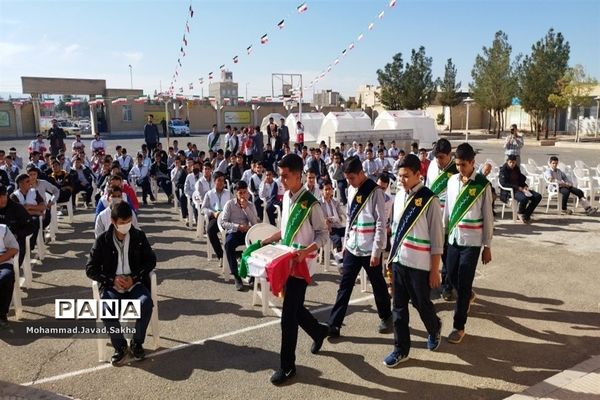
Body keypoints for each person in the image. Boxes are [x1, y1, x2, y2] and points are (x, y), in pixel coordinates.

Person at [260, 153, 328, 385]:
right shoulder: (287, 197)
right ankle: (318, 332)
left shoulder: (311, 203)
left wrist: (306, 251)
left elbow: (323, 234)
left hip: (302, 265)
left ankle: (287, 367)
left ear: (298, 175)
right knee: (296, 309)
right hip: (286, 260)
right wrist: (271, 238)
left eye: (285, 176)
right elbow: (286, 228)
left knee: (288, 317)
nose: (281, 180)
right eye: (280, 175)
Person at [383, 154, 444, 367]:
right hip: (400, 261)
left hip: (420, 265)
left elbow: (437, 239)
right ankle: (401, 349)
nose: (402, 180)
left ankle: (434, 327)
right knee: (398, 309)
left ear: (419, 174)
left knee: (421, 304)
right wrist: (390, 259)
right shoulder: (399, 196)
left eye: (406, 176)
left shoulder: (430, 200)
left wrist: (435, 270)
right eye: (399, 176)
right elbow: (396, 230)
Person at [324, 156, 392, 338]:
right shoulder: (351, 190)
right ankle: (334, 324)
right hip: (353, 248)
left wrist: (377, 250)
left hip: (370, 250)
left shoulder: (375, 192)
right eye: (347, 178)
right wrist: (346, 243)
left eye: (352, 178)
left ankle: (386, 316)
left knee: (378, 286)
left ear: (361, 173)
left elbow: (380, 223)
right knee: (344, 286)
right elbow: (349, 219)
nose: (349, 182)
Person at [86, 202, 156, 365]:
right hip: (113, 286)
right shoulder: (102, 240)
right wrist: (112, 279)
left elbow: (151, 260)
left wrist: (134, 277)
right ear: (113, 221)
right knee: (105, 309)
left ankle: (137, 342)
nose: (125, 226)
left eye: (128, 221)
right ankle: (120, 346)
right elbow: (90, 268)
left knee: (146, 303)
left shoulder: (139, 236)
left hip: (135, 284)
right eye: (122, 223)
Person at [444, 143, 493, 344]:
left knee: (463, 284)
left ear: (473, 163)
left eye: (463, 165)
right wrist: (443, 234)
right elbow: (447, 209)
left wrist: (487, 246)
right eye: (457, 165)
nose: (460, 169)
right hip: (453, 239)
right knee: (450, 275)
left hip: (472, 243)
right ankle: (468, 295)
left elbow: (488, 217)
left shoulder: (482, 185)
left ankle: (458, 326)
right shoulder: (452, 181)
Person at [425, 139, 459, 301]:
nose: (438, 161)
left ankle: (447, 286)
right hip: (431, 217)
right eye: (436, 157)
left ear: (450, 154)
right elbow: (427, 187)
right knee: (429, 252)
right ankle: (428, 284)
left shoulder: (457, 170)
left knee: (446, 255)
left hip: (449, 219)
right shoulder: (432, 166)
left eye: (442, 157)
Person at [221, 180, 258, 290]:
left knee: (257, 245)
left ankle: (253, 276)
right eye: (240, 193)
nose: (243, 195)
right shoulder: (230, 204)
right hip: (234, 231)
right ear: (236, 193)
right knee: (228, 245)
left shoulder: (250, 205)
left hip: (247, 232)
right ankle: (236, 276)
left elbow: (255, 223)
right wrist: (237, 226)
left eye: (244, 192)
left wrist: (246, 208)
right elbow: (223, 223)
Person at [0, 185, 36, 267]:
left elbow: (31, 226)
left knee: (9, 267)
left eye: (4, 196)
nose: (3, 200)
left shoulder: (17, 208)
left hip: (15, 242)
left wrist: (17, 234)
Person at [499, 155, 542, 223]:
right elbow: (503, 183)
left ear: (515, 162)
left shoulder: (516, 168)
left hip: (521, 189)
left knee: (537, 196)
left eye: (513, 162)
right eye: (510, 162)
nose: (512, 164)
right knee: (524, 198)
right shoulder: (503, 171)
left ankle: (525, 215)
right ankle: (521, 213)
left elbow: (520, 180)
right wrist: (518, 188)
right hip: (511, 191)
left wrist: (524, 186)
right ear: (507, 162)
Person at [201, 172, 231, 264]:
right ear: (214, 181)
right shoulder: (209, 194)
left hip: (227, 217)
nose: (221, 183)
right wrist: (213, 213)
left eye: (223, 181)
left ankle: (231, 255)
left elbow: (234, 204)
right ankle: (221, 255)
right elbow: (203, 209)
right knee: (210, 230)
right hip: (215, 217)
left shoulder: (228, 193)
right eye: (219, 180)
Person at [320, 181, 346, 263]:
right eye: (326, 189)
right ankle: (340, 262)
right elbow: (318, 219)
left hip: (337, 226)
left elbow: (341, 216)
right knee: (337, 239)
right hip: (327, 228)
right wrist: (326, 221)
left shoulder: (335, 202)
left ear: (332, 190)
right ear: (322, 191)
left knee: (350, 233)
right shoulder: (319, 203)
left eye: (329, 189)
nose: (328, 191)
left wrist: (339, 218)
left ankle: (347, 257)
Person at [0, 223, 19, 329]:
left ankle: (2, 314)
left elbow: (14, 248)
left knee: (6, 277)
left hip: (3, 263)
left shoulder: (3, 229)